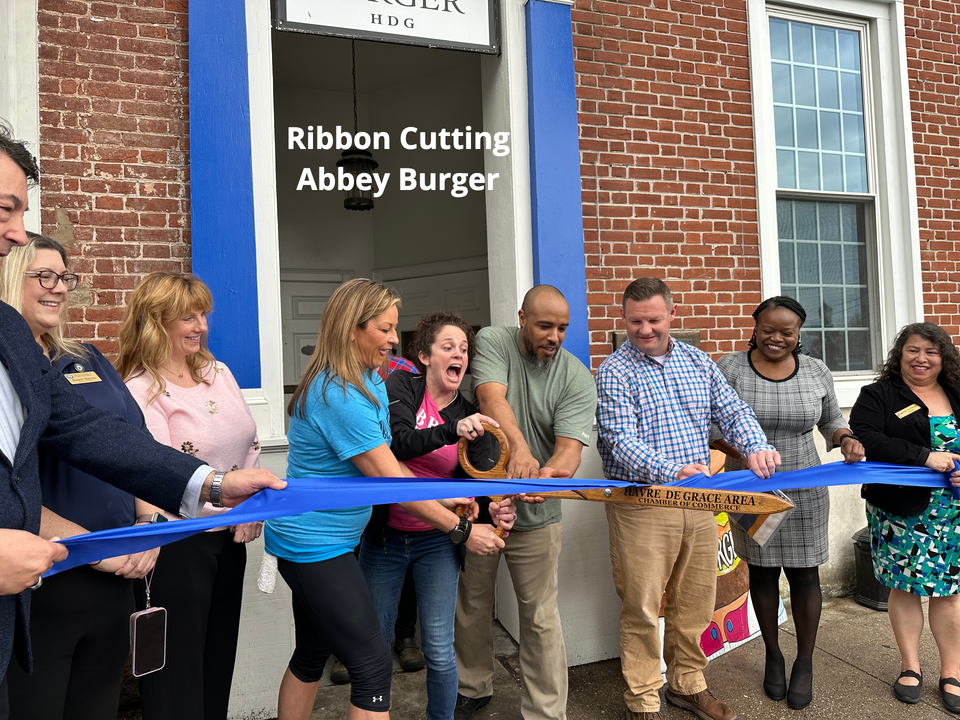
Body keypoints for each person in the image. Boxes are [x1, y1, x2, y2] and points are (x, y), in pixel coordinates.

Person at [0, 122, 284, 720]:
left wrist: (210, 483)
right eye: (5, 210)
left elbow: (93, 434)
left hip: (81, 577)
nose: (16, 233)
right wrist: (81, 541)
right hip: (56, 573)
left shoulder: (23, 345)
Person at [265, 278, 503, 720]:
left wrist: (453, 504)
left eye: (395, 329)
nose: (396, 339)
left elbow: (391, 464)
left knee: (312, 653)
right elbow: (391, 480)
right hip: (315, 546)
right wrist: (463, 529)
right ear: (351, 329)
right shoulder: (338, 393)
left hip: (330, 541)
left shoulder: (370, 381)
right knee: (373, 666)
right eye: (385, 328)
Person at [595, 277, 781, 720]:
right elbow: (618, 441)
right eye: (636, 321)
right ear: (623, 319)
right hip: (643, 503)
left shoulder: (699, 362)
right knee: (642, 605)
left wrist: (754, 445)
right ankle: (642, 699)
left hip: (700, 502)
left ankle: (687, 684)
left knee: (694, 600)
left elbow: (732, 411)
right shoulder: (613, 372)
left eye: (654, 320)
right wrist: (672, 470)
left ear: (672, 316)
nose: (645, 330)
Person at [0, 235, 163, 720]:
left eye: (65, 277)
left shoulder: (88, 358)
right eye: (44, 276)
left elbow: (131, 446)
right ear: (12, 277)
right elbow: (13, 488)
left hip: (121, 574)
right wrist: (97, 550)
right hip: (45, 578)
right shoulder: (10, 371)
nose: (59, 288)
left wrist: (149, 524)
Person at [115, 272, 263, 720]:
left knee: (218, 659)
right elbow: (152, 474)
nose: (200, 325)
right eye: (187, 317)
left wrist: (251, 507)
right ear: (155, 322)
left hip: (229, 541)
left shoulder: (219, 373)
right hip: (176, 543)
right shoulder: (138, 390)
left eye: (204, 315)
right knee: (177, 672)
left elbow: (250, 446)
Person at [360, 311, 516, 720]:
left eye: (464, 349)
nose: (459, 355)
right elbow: (397, 445)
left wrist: (495, 507)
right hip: (385, 538)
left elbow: (479, 488)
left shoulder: (470, 413)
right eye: (448, 347)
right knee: (373, 644)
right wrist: (452, 430)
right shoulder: (400, 387)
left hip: (437, 542)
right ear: (425, 355)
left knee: (440, 651)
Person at [453, 285, 597, 720]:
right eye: (544, 325)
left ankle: (546, 711)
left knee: (540, 618)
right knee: (473, 604)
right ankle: (472, 686)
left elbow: (571, 448)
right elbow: (491, 398)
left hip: (538, 512)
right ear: (522, 318)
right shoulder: (494, 342)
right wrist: (518, 449)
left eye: (562, 328)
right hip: (482, 507)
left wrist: (551, 476)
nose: (554, 336)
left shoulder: (576, 376)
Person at [714, 296, 864, 710]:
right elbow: (709, 427)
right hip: (751, 487)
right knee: (761, 575)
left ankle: (805, 661)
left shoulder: (816, 371)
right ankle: (773, 654)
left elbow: (831, 420)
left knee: (805, 576)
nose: (776, 338)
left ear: (799, 334)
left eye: (786, 332)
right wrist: (744, 451)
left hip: (804, 487)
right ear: (755, 327)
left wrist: (846, 439)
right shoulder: (729, 368)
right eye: (768, 330)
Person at [850, 322, 960, 713]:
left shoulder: (956, 392)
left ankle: (952, 671)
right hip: (899, 510)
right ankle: (910, 666)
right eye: (913, 350)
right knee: (905, 586)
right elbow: (867, 436)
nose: (921, 359)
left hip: (953, 513)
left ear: (943, 358)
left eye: (931, 352)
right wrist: (924, 457)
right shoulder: (879, 394)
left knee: (949, 591)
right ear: (900, 354)